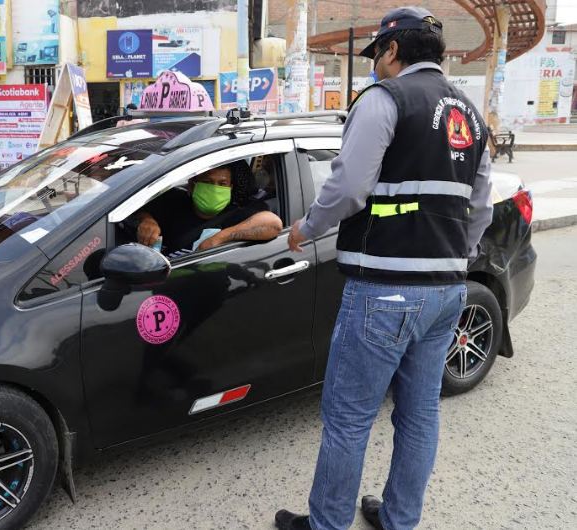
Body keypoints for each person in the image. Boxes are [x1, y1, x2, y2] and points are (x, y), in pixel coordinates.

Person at [277, 7, 493, 530]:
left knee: (348, 419)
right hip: (447, 289)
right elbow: (481, 207)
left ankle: (326, 524)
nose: (375, 65)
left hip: (384, 290)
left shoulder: (384, 100)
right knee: (420, 415)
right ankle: (399, 521)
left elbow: (349, 188)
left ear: (393, 50)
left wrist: (305, 228)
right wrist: (449, 259)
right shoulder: (470, 113)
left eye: (377, 55)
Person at [132, 161, 282, 255]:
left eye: (222, 184)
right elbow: (134, 206)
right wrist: (147, 220)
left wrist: (219, 238)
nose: (215, 188)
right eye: (207, 182)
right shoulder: (174, 201)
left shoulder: (236, 215)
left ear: (230, 188)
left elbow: (274, 224)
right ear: (192, 185)